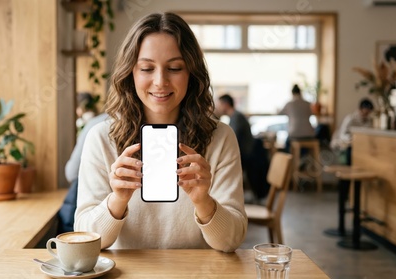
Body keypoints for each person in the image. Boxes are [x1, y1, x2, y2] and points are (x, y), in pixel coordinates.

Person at [74, 12, 247, 252]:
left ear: (191, 73)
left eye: (175, 68)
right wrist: (118, 200)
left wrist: (203, 202)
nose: (160, 81)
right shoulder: (101, 138)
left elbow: (231, 242)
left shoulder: (220, 138)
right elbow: (83, 239)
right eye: (146, 68)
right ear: (130, 73)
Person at [214, 94, 254, 167]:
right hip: (245, 154)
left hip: (244, 156)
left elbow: (233, 138)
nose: (217, 108)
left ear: (225, 104)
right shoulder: (235, 116)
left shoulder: (236, 117)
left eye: (218, 105)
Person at [331, 98, 374, 165]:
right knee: (352, 150)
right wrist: (353, 140)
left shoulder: (369, 121)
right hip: (343, 145)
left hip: (358, 145)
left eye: (368, 113)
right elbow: (342, 135)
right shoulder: (350, 118)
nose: (367, 114)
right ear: (360, 109)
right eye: (366, 112)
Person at [278, 84, 315, 152]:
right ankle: (304, 159)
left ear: (292, 93)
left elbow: (280, 112)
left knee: (287, 143)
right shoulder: (307, 103)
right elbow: (311, 114)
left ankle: (290, 160)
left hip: (294, 134)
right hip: (309, 133)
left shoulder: (289, 104)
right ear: (300, 92)